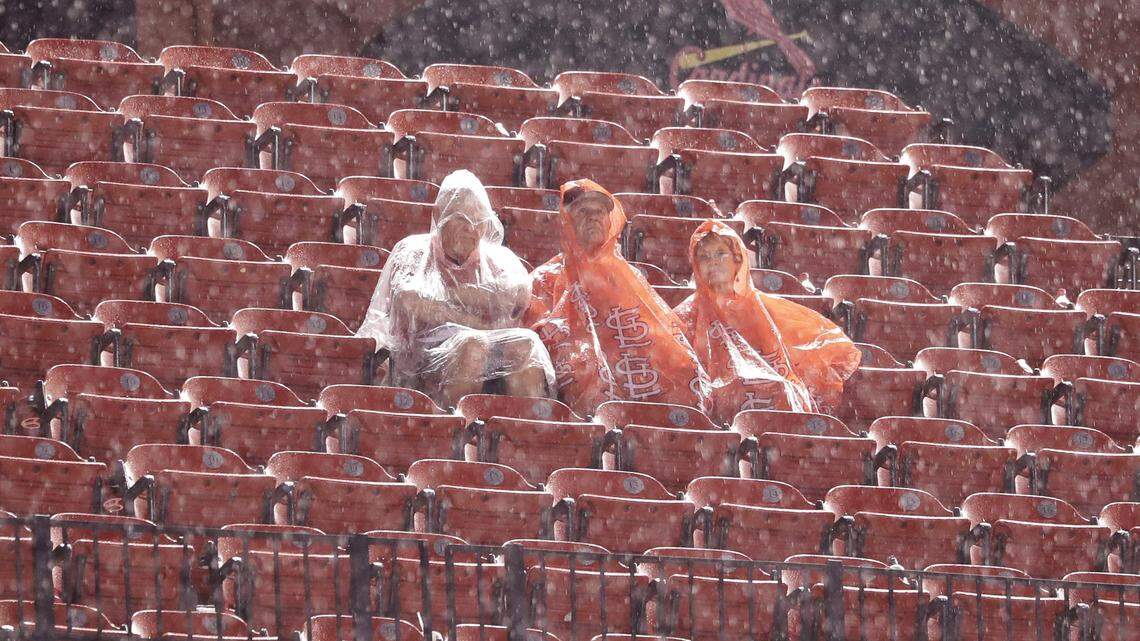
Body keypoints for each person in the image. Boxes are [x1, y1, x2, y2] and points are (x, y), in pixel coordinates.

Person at [357, 170, 555, 408]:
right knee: (473, 345)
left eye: (478, 221)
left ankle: (526, 425)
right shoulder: (413, 249)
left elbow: (516, 296)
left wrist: (449, 298)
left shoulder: (498, 258)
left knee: (525, 344)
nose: (471, 228)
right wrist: (474, 319)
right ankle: (452, 423)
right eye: (461, 218)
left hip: (487, 350)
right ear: (439, 214)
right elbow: (408, 301)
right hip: (419, 359)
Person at [527, 179, 709, 415]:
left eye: (599, 212)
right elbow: (536, 334)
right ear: (568, 220)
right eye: (583, 211)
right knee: (587, 371)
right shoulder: (545, 277)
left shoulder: (627, 274)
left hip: (631, 361)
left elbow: (658, 327)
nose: (593, 217)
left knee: (685, 370)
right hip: (582, 362)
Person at [675, 219, 861, 421]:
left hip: (771, 400)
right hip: (714, 403)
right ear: (696, 265)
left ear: (738, 259)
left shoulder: (766, 308)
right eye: (704, 256)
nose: (713, 261)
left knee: (785, 391)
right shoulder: (686, 314)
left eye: (720, 253)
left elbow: (817, 347)